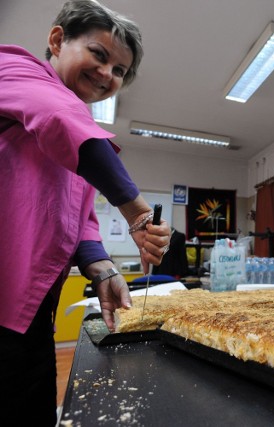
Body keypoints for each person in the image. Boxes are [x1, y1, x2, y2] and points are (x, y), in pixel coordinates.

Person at [0, 1, 171, 425]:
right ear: (57, 40)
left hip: (33, 306)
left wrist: (103, 270)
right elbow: (57, 117)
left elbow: (79, 219)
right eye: (99, 54)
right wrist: (135, 209)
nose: (108, 75)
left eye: (120, 71)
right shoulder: (14, 69)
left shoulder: (77, 137)